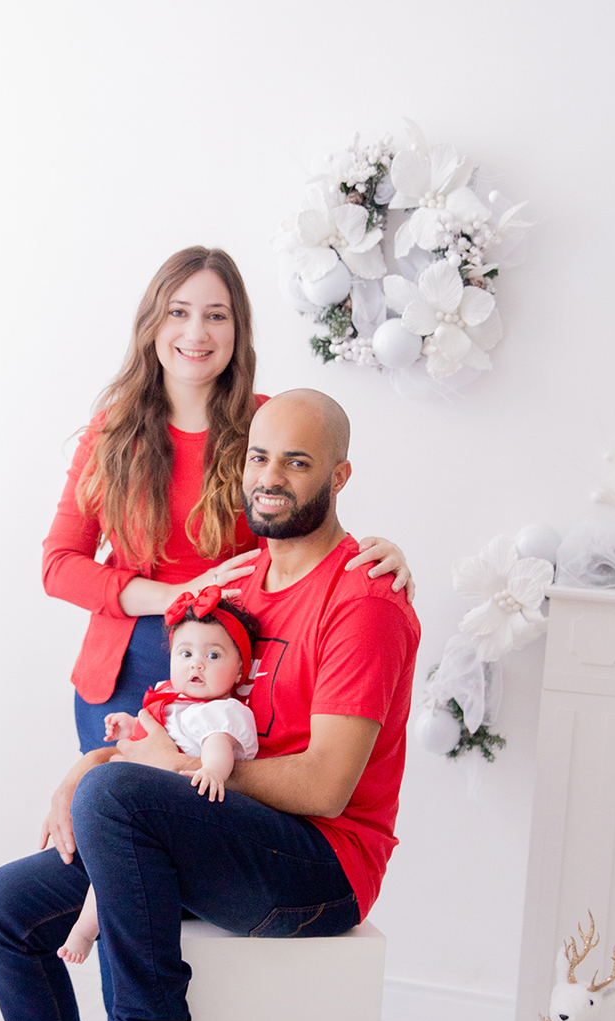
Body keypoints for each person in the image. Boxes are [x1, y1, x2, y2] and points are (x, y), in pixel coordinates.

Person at [0, 388, 421, 1021]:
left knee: (120, 797)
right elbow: (174, 710)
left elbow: (327, 788)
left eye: (297, 463)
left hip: (319, 866)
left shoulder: (363, 601)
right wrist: (87, 766)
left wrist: (172, 772)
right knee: (0, 909)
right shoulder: (241, 582)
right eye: (260, 456)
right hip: (224, 834)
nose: (270, 477)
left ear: (338, 478)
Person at [41, 246, 412, 751]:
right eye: (178, 312)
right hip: (124, 671)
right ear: (152, 324)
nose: (197, 333)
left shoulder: (266, 424)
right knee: (113, 816)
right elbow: (60, 566)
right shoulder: (109, 434)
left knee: (207, 819)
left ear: (237, 333)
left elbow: (307, 524)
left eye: (216, 316)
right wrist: (180, 595)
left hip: (233, 670)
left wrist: (377, 554)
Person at [57, 589, 263, 967]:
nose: (196, 665)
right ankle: (87, 930)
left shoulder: (221, 712)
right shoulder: (170, 702)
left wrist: (211, 770)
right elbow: (151, 736)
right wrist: (127, 726)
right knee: (106, 871)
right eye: (186, 655)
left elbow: (217, 746)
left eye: (212, 655)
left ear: (239, 670)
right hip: (139, 811)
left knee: (118, 867)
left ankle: (90, 931)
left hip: (181, 811)